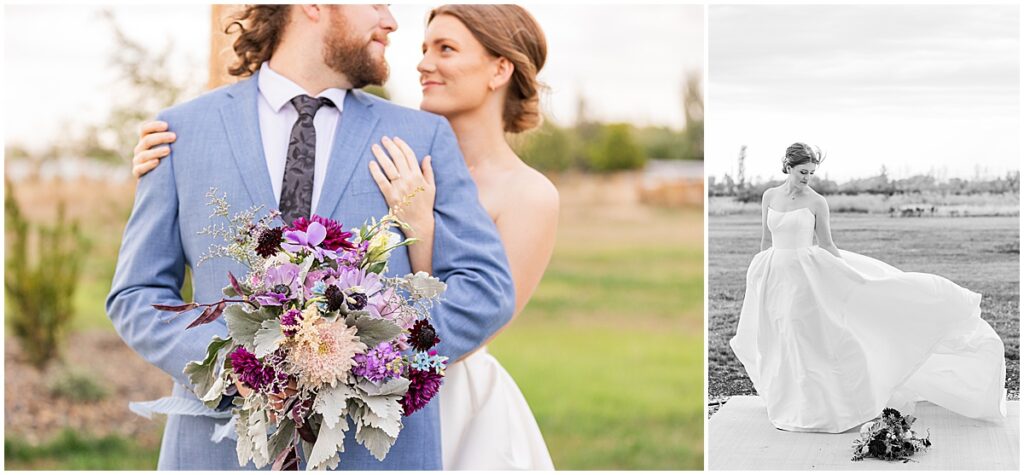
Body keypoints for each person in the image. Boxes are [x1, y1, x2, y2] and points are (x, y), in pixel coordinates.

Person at [128, 4, 558, 470]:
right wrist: (226, 365)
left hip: (375, 453)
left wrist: (352, 357)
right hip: (215, 451)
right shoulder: (181, 133)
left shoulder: (421, 136)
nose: (392, 21)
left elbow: (486, 290)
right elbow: (137, 293)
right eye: (377, 3)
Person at [729, 142, 1006, 433]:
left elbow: (826, 244)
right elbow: (765, 240)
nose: (807, 177)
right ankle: (788, 401)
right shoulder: (769, 196)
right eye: (802, 171)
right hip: (774, 275)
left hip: (805, 279)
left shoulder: (816, 202)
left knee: (803, 335)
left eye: (811, 172)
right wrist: (758, 274)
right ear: (788, 166)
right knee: (780, 336)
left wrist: (853, 277)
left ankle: (816, 407)